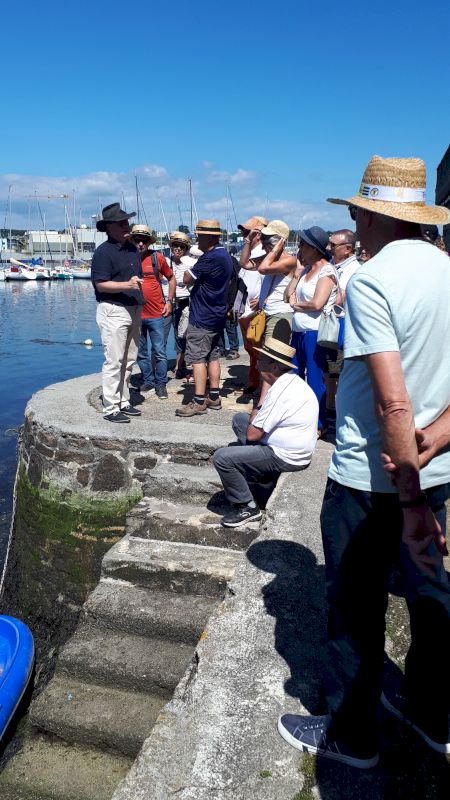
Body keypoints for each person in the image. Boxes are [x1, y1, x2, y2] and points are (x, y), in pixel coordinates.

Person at [278, 155, 450, 768]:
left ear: (374, 216)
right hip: (435, 473)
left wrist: (409, 500)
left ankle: (352, 738)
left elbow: (391, 400)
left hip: (372, 480)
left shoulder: (373, 281)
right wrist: (436, 440)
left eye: (357, 213)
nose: (353, 223)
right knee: (430, 597)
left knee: (356, 606)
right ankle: (433, 716)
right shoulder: (447, 269)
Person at [213, 337, 318, 527]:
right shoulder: (288, 381)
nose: (256, 365)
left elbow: (253, 434)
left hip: (285, 456)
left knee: (222, 458)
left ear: (274, 367)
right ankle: (256, 475)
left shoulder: (281, 392)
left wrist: (261, 400)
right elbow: (255, 420)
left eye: (260, 361)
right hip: (287, 444)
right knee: (240, 420)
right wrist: (264, 391)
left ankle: (247, 507)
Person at [91, 202, 143, 423]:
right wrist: (127, 285)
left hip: (133, 308)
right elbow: (100, 284)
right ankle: (111, 407)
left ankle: (123, 400)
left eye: (126, 222)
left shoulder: (132, 249)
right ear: (109, 227)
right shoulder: (103, 252)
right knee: (114, 360)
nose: (126, 226)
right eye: (121, 223)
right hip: (113, 310)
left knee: (129, 359)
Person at [175, 219, 233, 417]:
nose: (196, 239)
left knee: (198, 358)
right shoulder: (225, 255)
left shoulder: (209, 257)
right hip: (217, 314)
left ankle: (199, 401)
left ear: (209, 237)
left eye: (199, 236)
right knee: (213, 356)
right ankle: (214, 397)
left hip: (202, 315)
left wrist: (191, 267)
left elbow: (186, 279)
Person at [284, 226, 338, 436]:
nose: (299, 247)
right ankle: (298, 419)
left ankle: (319, 424)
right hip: (299, 331)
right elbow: (287, 295)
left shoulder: (327, 271)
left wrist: (295, 305)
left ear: (315, 248)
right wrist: (297, 274)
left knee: (315, 379)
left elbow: (317, 303)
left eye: (303, 244)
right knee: (294, 377)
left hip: (314, 332)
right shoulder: (306, 270)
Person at [131, 224, 175, 400]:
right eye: (137, 240)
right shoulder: (128, 259)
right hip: (136, 315)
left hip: (157, 314)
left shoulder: (157, 258)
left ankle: (161, 383)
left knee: (160, 352)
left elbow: (171, 278)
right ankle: (148, 380)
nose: (141, 244)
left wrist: (169, 301)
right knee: (140, 353)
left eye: (144, 240)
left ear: (149, 242)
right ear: (132, 241)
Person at [323, 229, 359, 432]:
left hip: (343, 325)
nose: (329, 248)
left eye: (333, 245)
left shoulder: (353, 270)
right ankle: (331, 410)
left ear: (347, 249)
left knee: (336, 373)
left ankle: (335, 415)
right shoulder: (333, 266)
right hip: (332, 325)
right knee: (329, 372)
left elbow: (337, 299)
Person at [237, 216, 268, 396]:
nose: (244, 234)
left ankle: (262, 383)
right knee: (250, 348)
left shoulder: (263, 253)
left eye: (247, 231)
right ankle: (254, 380)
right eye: (243, 231)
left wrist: (263, 300)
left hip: (255, 310)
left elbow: (269, 280)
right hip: (244, 308)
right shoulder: (249, 253)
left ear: (258, 234)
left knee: (258, 349)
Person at [164, 231, 196, 378]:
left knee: (181, 336)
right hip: (166, 303)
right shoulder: (165, 261)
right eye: (175, 245)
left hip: (183, 303)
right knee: (162, 336)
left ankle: (179, 366)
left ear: (186, 249)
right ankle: (159, 367)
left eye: (181, 246)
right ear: (171, 247)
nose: (178, 248)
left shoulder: (191, 263)